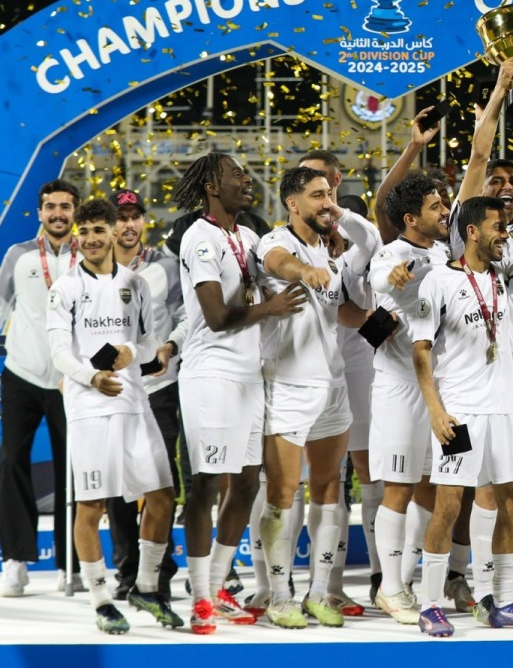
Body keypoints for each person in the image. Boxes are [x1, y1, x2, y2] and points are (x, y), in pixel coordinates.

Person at [411, 182, 513, 637]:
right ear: (473, 232)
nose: (506, 235)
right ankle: (429, 604)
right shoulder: (439, 280)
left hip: (502, 407)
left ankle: (503, 600)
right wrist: (436, 410)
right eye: (499, 228)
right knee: (450, 505)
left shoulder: (505, 272)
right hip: (458, 410)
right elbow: (420, 350)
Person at [173, 152, 306, 634]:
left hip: (250, 375)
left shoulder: (248, 236)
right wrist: (269, 308)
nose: (246, 181)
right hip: (211, 375)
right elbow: (216, 316)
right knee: (207, 482)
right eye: (236, 175)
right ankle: (200, 598)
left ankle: (218, 584)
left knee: (247, 483)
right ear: (212, 184)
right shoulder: (198, 238)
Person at [46, 198, 181, 633]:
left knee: (162, 496)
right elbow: (58, 353)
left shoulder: (136, 284)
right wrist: (90, 377)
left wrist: (131, 353)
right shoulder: (64, 288)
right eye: (83, 232)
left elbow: (149, 344)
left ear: (111, 233)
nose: (90, 239)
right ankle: (102, 598)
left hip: (134, 400)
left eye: (98, 230)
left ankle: (144, 585)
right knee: (91, 506)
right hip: (88, 407)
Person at [254, 166, 380, 629]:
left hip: (333, 385)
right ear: (292, 203)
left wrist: (381, 320)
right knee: (283, 493)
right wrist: (306, 271)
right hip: (287, 386)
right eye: (317, 195)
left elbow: (342, 312)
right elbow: (281, 266)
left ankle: (319, 591)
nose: (327, 202)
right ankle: (280, 595)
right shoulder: (274, 243)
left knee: (330, 488)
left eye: (331, 194)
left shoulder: (328, 250)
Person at [368, 174, 449, 625]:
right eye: (436, 206)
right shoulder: (394, 253)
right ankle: (391, 588)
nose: (444, 211)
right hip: (399, 386)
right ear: (411, 218)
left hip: (437, 388)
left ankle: (407, 578)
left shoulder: (441, 253)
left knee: (433, 487)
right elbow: (382, 276)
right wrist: (393, 277)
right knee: (398, 487)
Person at [0, 178, 82, 595]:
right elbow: (0, 307)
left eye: (65, 207)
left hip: (71, 381)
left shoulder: (86, 257)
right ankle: (15, 561)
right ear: (39, 211)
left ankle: (73, 564)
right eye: (51, 206)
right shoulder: (18, 256)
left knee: (74, 469)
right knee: (12, 460)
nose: (58, 214)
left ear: (75, 212)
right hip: (21, 374)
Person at [105, 189, 186, 600]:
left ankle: (160, 571)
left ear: (144, 222)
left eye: (135, 217)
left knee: (159, 482)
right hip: (113, 390)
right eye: (121, 218)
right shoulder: (92, 268)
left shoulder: (165, 267)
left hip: (159, 387)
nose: (129, 225)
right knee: (119, 483)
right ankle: (126, 570)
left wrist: (170, 346)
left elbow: (187, 315)